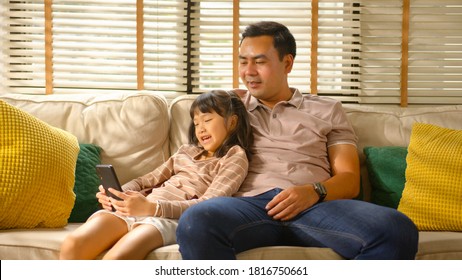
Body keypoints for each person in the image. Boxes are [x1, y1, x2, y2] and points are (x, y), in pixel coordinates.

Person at [176, 21, 419, 260]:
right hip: (248, 207)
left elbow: (349, 179)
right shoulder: (229, 109)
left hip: (316, 206)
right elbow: (196, 157)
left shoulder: (327, 109)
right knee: (196, 221)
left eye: (259, 62)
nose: (248, 72)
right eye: (243, 61)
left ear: (287, 63)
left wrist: (313, 192)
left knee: (397, 228)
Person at [59, 90, 253, 260]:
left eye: (208, 120)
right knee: (72, 245)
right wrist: (119, 195)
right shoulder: (186, 151)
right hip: (139, 207)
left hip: (168, 218)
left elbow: (208, 205)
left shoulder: (234, 157)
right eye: (196, 123)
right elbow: (144, 180)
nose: (200, 128)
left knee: (117, 259)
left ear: (233, 122)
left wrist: (154, 208)